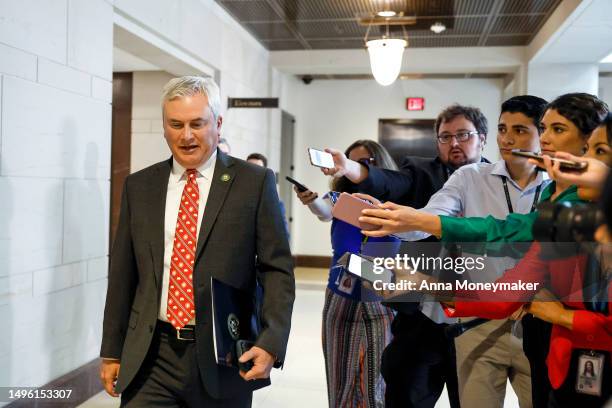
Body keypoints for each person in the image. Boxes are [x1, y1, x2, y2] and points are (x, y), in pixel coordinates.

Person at [99, 76, 295, 407]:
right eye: (175, 124)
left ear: (217, 123)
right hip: (151, 356)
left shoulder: (255, 183)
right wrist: (111, 349)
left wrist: (271, 339)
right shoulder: (140, 186)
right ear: (164, 127)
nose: (186, 135)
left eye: (196, 123)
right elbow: (123, 275)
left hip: (224, 357)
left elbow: (276, 269)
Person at [357, 95, 548, 407]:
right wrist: (400, 221)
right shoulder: (470, 178)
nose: (508, 138)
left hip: (538, 320)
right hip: (473, 316)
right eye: (503, 129)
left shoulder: (558, 185)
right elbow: (435, 217)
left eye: (521, 130)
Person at [322, 105, 491, 408]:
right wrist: (350, 168)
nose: (454, 143)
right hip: (421, 318)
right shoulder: (420, 172)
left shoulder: (496, 181)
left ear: (483, 138)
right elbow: (389, 181)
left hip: (478, 319)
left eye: (463, 135)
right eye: (445, 137)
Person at [295, 140, 399, 408]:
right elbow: (324, 211)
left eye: (363, 163)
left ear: (378, 165)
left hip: (380, 301)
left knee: (375, 386)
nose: (353, 170)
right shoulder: (340, 200)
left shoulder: (396, 204)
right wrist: (312, 201)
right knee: (340, 385)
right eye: (348, 163)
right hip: (340, 298)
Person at [246, 152, 290, 238]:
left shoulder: (274, 201)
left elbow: (282, 234)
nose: (252, 172)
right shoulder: (233, 194)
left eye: (257, 168)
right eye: (249, 167)